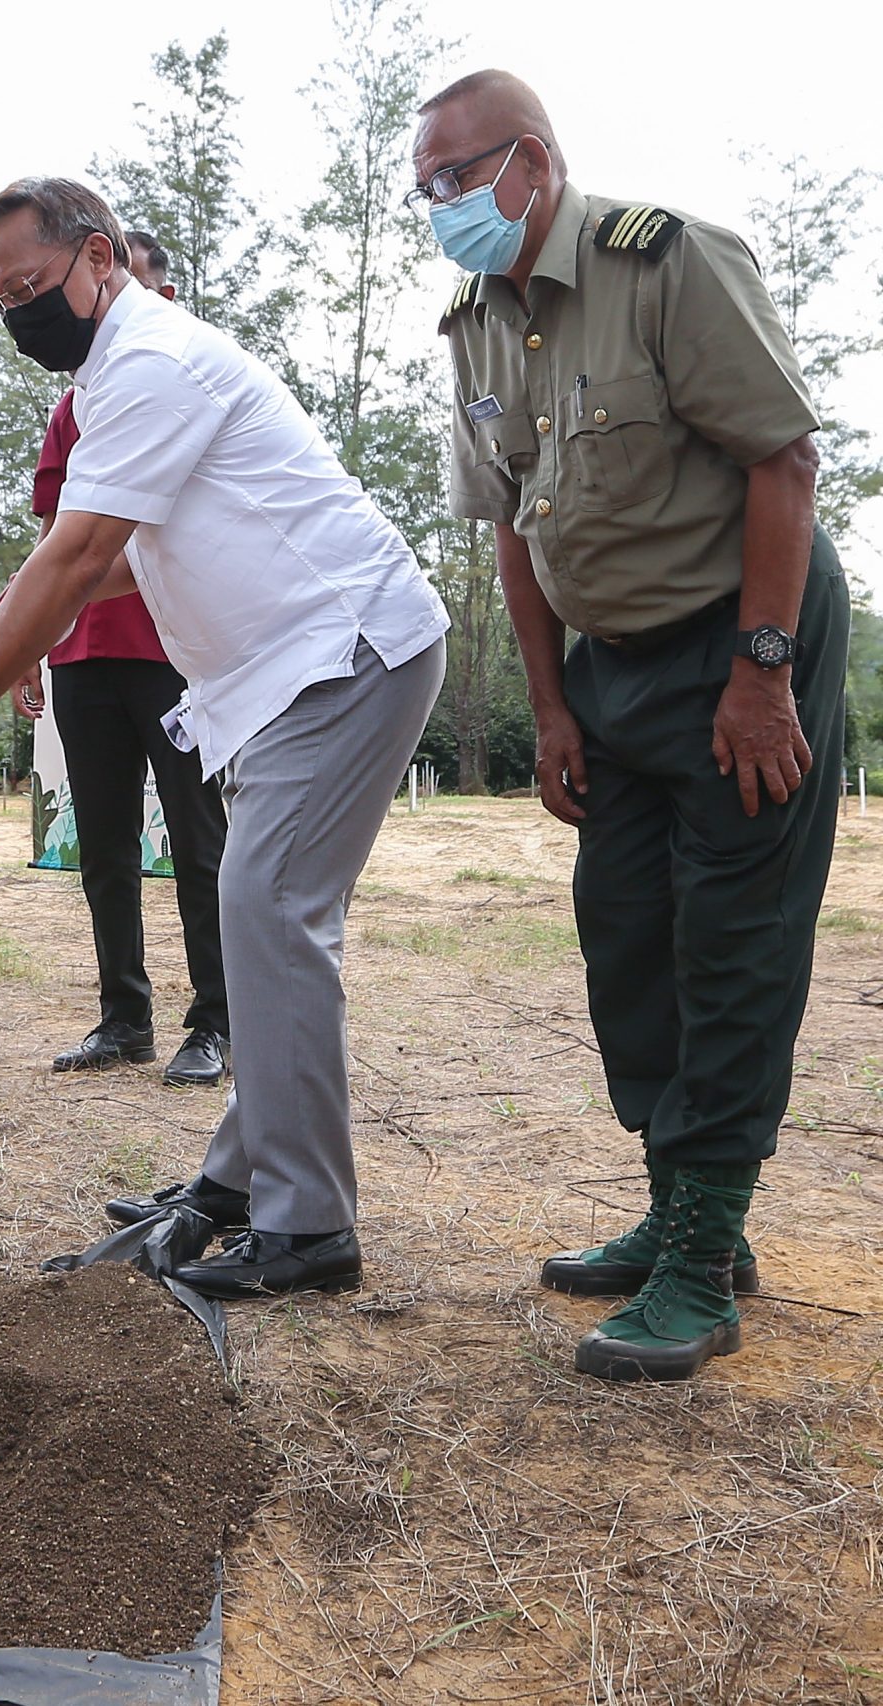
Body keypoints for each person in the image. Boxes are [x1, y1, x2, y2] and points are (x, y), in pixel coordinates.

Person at [0, 178, 448, 1299]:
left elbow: (81, 556)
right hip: (285, 672)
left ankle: (308, 1224)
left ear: (97, 259)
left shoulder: (148, 362)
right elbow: (111, 553)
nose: (14, 314)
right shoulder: (110, 373)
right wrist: (16, 630)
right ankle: (238, 1181)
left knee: (270, 911)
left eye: (27, 286)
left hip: (346, 647)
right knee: (258, 910)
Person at [421, 72, 842, 1382]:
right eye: (422, 190)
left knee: (731, 941)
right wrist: (550, 705)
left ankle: (703, 1266)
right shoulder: (474, 324)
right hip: (608, 669)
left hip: (741, 641)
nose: (437, 209)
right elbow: (508, 526)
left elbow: (782, 459)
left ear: (529, 162)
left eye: (453, 180)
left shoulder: (667, 264)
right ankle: (680, 1209)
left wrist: (762, 673)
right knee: (628, 936)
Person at [12, 230, 230, 1088]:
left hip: (174, 651)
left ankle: (216, 1023)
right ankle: (124, 1017)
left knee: (198, 837)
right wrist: (30, 644)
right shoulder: (72, 410)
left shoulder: (182, 384)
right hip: (84, 658)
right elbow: (51, 544)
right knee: (102, 843)